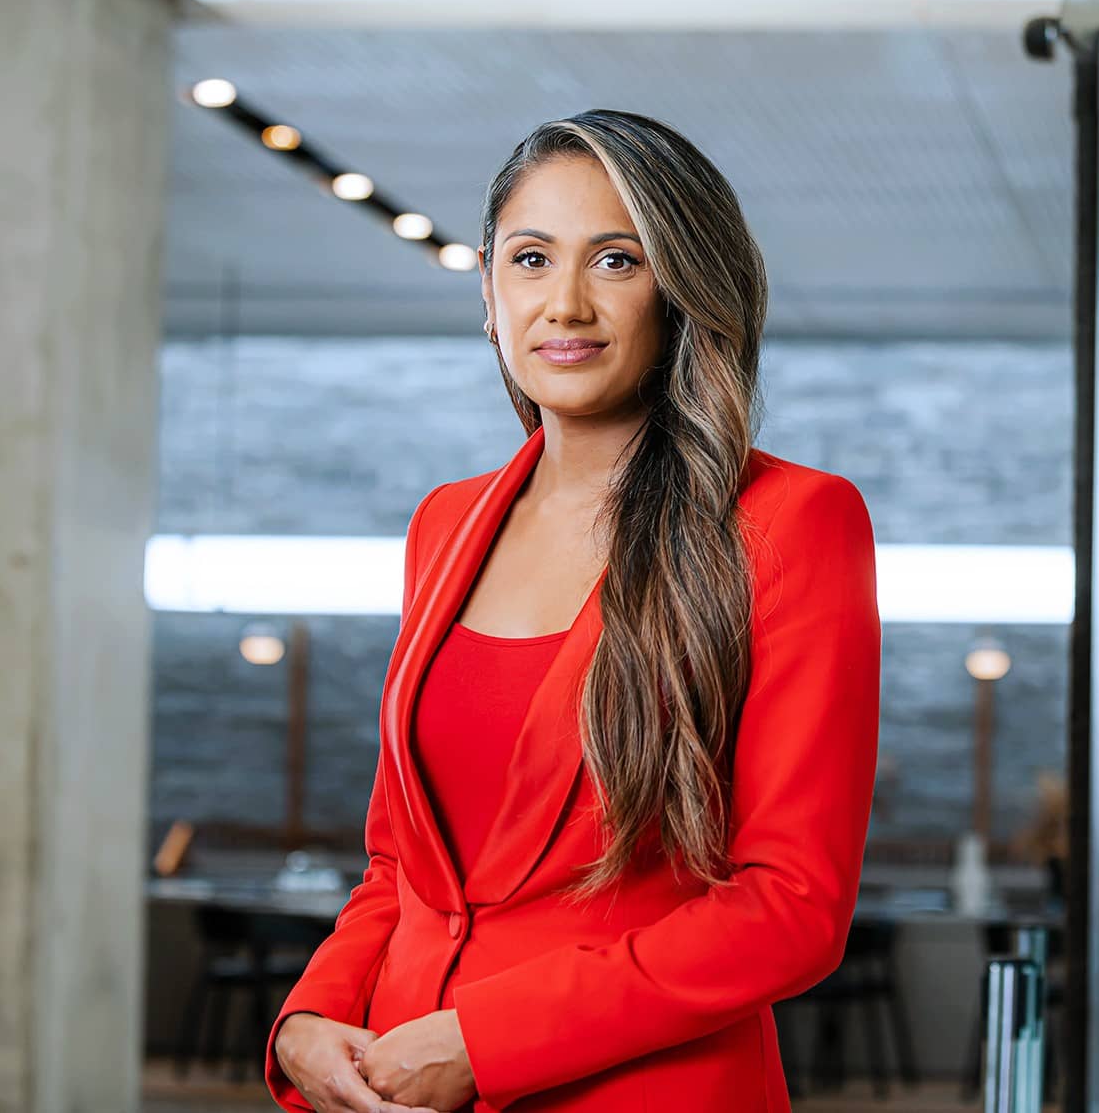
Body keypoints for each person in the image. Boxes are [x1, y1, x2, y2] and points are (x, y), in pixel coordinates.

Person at [265, 108, 883, 1113]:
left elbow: (791, 906)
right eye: (530, 257)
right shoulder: (446, 523)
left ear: (681, 289)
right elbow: (400, 863)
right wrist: (309, 1018)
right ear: (488, 290)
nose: (565, 303)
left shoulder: (791, 523)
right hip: (401, 1088)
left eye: (616, 261)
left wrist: (486, 1041)